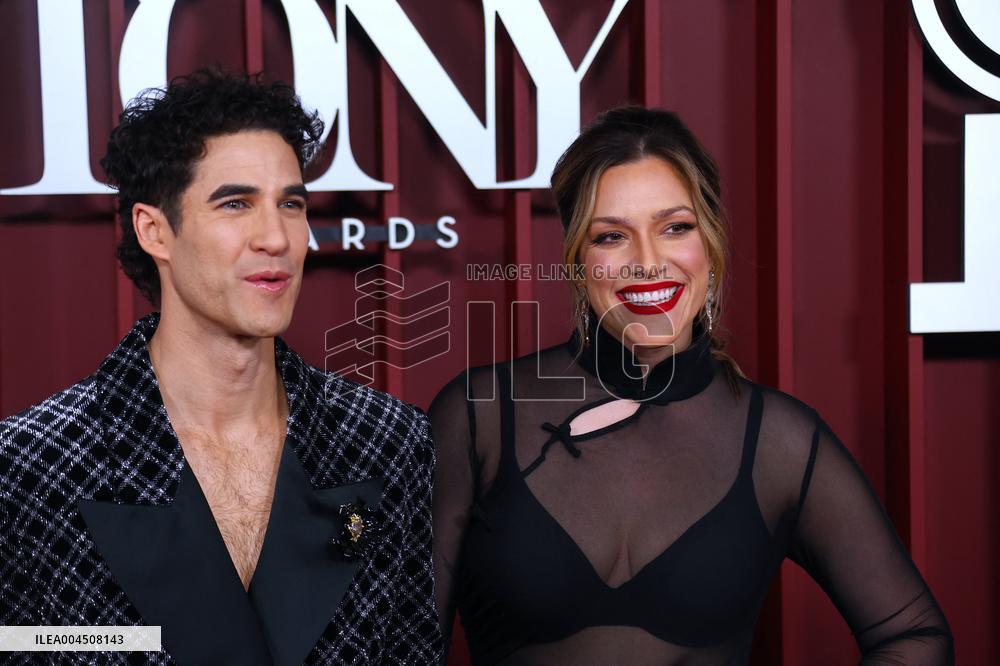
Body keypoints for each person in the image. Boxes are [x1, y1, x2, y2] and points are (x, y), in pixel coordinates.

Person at [430, 106, 954, 665]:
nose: (648, 263)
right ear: (578, 260)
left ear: (710, 241)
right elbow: (397, 643)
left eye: (675, 227)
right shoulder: (479, 415)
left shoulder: (779, 441)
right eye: (611, 237)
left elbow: (915, 637)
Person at [0, 70, 443, 665]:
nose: (276, 237)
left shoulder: (390, 442)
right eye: (236, 204)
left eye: (290, 203)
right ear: (154, 230)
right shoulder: (31, 464)